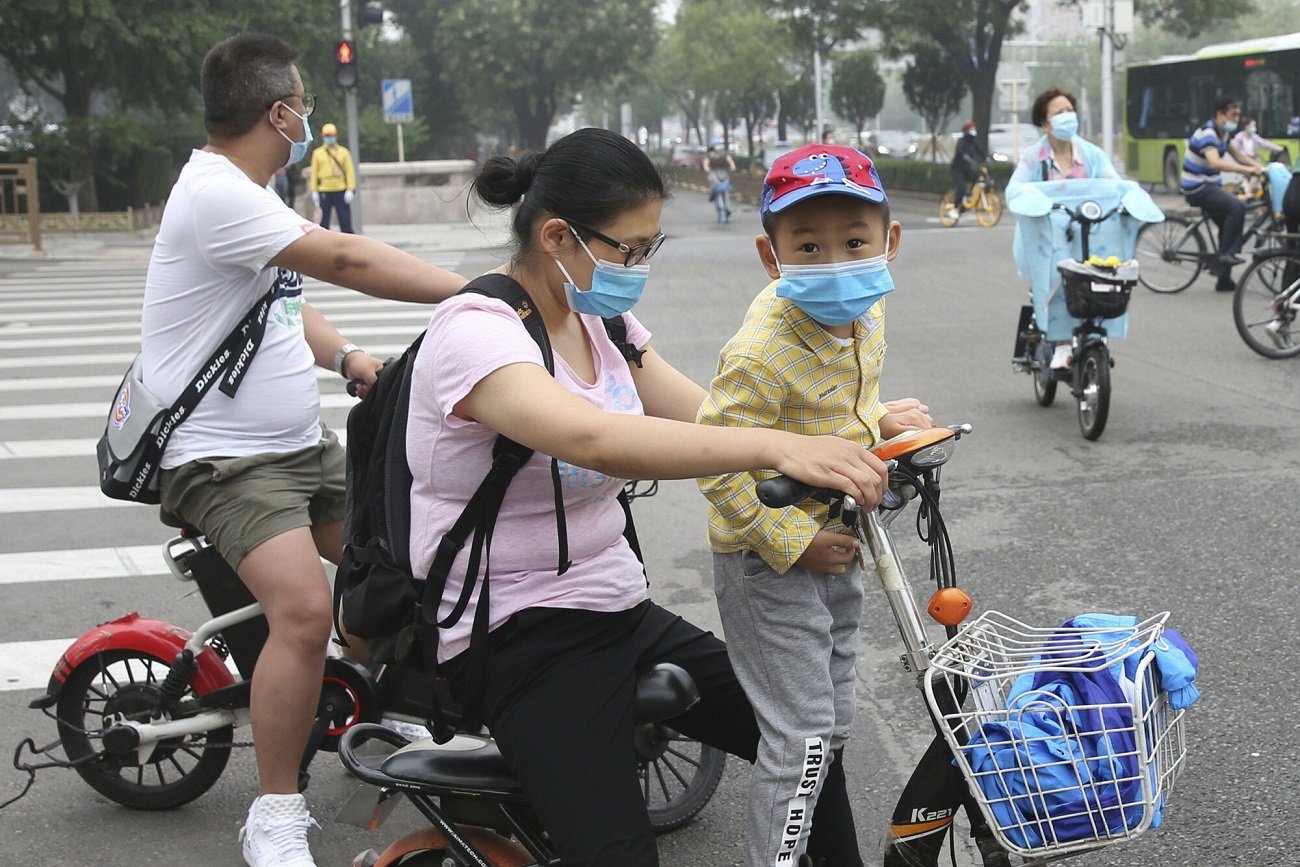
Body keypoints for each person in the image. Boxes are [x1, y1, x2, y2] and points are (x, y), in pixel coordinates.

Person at [405, 126, 889, 867]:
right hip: (518, 631)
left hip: (616, 607)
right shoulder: (475, 334)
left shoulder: (602, 315)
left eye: (648, 248)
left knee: (807, 740)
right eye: (630, 249)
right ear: (560, 236)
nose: (639, 266)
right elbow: (593, 438)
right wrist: (775, 446)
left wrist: (850, 432)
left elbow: (705, 419)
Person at [139, 32, 466, 867]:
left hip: (300, 447)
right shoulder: (216, 193)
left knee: (401, 561)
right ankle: (276, 812)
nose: (309, 121)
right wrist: (481, 292)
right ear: (279, 113)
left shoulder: (248, 195)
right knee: (303, 610)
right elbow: (348, 257)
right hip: (222, 460)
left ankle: (382, 704)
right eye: (304, 108)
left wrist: (349, 356)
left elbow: (282, 302)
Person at [696, 143, 933, 866]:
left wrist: (880, 418)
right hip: (770, 562)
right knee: (799, 739)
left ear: (888, 243)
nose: (834, 262)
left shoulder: (868, 308)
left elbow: (838, 403)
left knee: (832, 723)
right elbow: (718, 462)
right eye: (808, 245)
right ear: (773, 257)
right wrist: (793, 543)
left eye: (854, 241)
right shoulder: (761, 350)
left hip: (842, 534)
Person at [1007, 86, 1119, 370]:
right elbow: (1015, 190)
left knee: (1099, 281)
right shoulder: (1034, 158)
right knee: (1054, 285)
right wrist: (1032, 200)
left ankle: (1094, 334)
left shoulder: (1092, 154)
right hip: (1046, 239)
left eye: (1070, 110)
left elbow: (1113, 184)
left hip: (1090, 234)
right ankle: (1059, 342)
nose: (1067, 116)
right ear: (1045, 123)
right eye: (1059, 112)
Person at [1181, 95, 1264, 291]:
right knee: (1236, 206)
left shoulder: (1222, 134)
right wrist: (1245, 171)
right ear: (1220, 114)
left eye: (1238, 115)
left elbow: (1238, 154)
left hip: (1210, 185)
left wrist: (1260, 167)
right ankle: (1226, 255)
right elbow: (1215, 162)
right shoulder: (1208, 133)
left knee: (1227, 226)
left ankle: (1223, 279)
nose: (1236, 119)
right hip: (1197, 187)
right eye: (1232, 115)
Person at [309, 121, 357, 233]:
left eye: (331, 135)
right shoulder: (318, 153)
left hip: (340, 189)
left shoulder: (344, 152)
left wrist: (350, 189)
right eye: (327, 136)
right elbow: (314, 173)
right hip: (324, 190)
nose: (329, 138)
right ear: (322, 136)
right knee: (323, 223)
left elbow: (350, 172)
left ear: (336, 135)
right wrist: (314, 190)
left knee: (345, 222)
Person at [1231, 116, 1286, 196]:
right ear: (1246, 126)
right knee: (1257, 173)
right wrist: (1247, 154)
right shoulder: (1239, 137)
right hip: (1243, 163)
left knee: (1259, 175)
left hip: (1252, 162)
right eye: (1253, 126)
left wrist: (1279, 148)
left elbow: (1265, 143)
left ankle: (1250, 192)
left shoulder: (1254, 137)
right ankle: (1248, 193)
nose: (1254, 128)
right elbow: (1236, 151)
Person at [948, 120, 987, 221]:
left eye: (974, 129)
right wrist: (967, 157)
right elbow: (960, 150)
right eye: (971, 129)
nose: (974, 131)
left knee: (977, 177)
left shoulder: (973, 142)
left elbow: (980, 152)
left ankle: (969, 197)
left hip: (966, 169)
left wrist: (985, 159)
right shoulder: (962, 140)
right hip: (957, 169)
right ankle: (955, 208)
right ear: (966, 131)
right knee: (961, 187)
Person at [706, 139, 736, 223]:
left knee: (726, 191)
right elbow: (706, 163)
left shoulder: (724, 154)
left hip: (724, 173)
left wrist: (732, 166)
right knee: (714, 188)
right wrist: (707, 168)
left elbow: (730, 161)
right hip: (714, 174)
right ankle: (712, 195)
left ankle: (727, 208)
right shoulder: (710, 155)